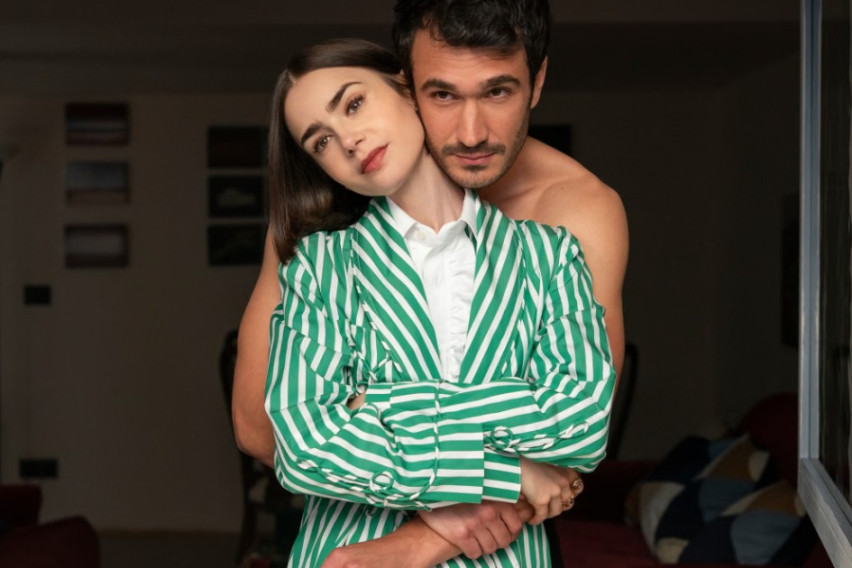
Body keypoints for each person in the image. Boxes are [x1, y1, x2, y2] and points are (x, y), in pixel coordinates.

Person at [233, 0, 628, 564]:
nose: (471, 132)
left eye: (498, 91)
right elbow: (275, 431)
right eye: (443, 95)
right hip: (346, 540)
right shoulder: (318, 249)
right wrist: (496, 468)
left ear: (537, 82)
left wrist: (377, 404)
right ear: (411, 86)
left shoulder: (565, 229)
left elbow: (577, 429)